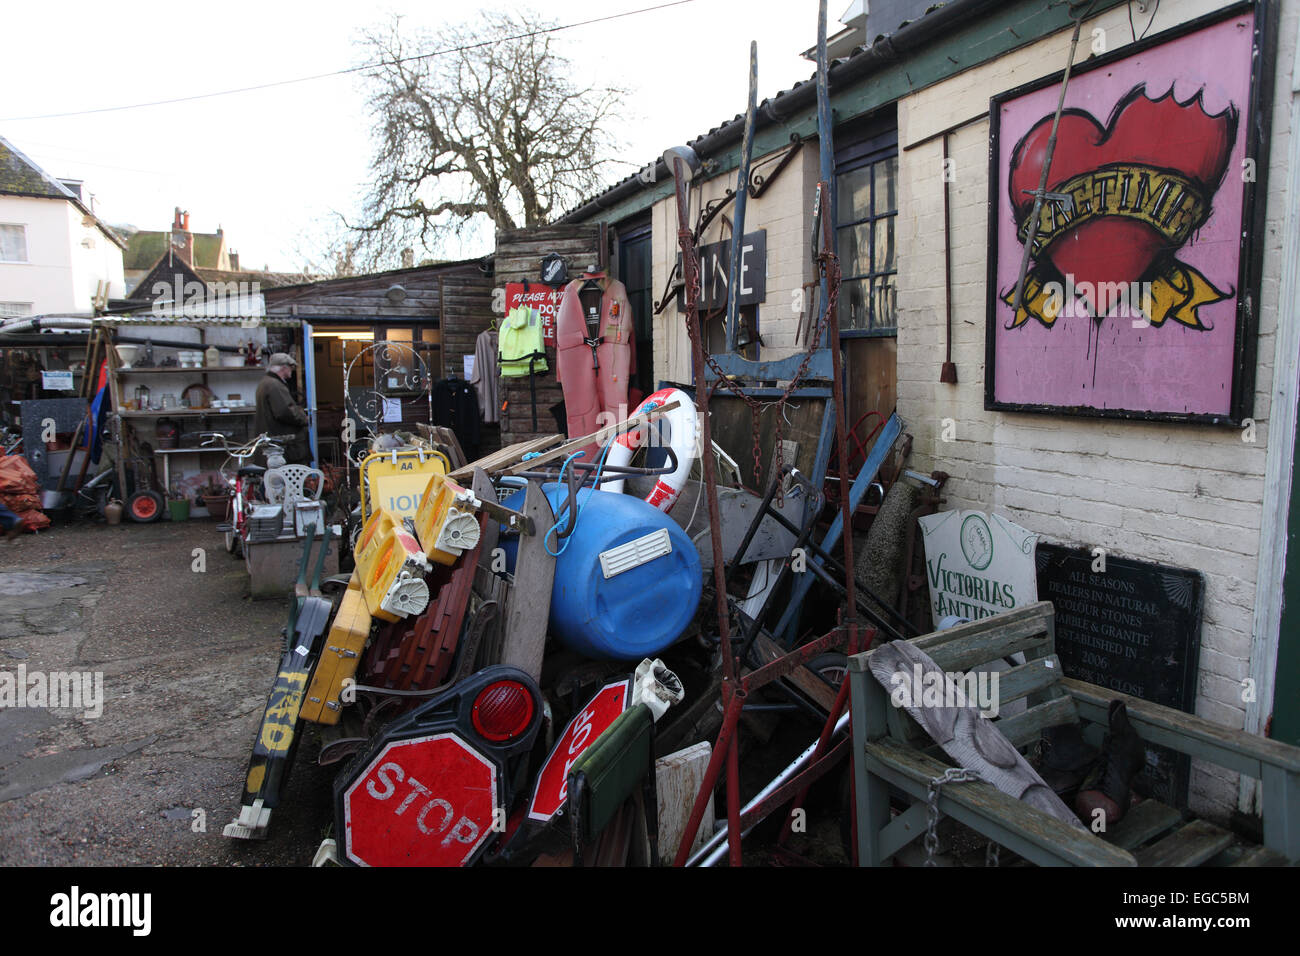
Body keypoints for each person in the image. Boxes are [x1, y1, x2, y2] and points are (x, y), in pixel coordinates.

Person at [254, 353, 311, 465]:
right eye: (291, 367)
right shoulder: (274, 385)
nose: (292, 370)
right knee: (286, 479)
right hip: (280, 444)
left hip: (272, 441)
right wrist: (304, 418)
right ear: (284, 368)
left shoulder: (266, 383)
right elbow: (285, 412)